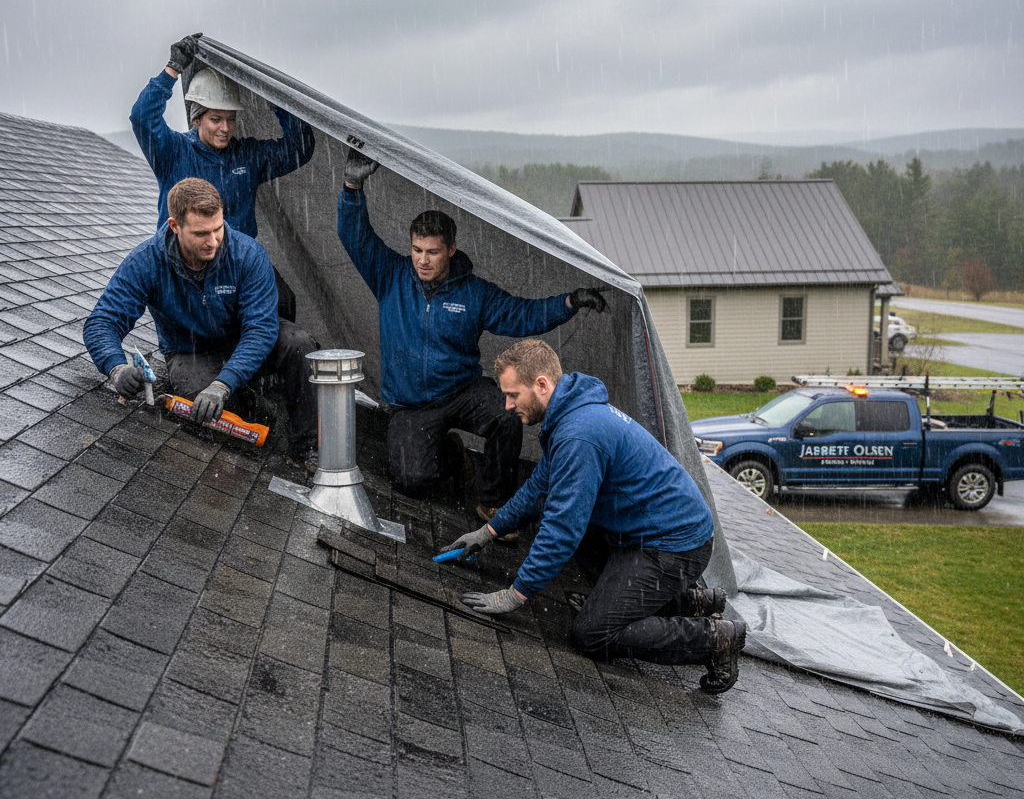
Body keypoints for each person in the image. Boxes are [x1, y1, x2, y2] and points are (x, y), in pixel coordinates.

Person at [443, 339, 746, 694]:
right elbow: (540, 486)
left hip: (675, 546)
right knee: (546, 506)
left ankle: (715, 639)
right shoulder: (571, 415)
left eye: (513, 395)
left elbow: (563, 529)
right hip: (647, 534)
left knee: (593, 633)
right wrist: (488, 532)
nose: (507, 406)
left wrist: (515, 594)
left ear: (542, 385)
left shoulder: (579, 434)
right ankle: (691, 602)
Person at [337, 150, 608, 522]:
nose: (423, 261)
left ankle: (494, 502)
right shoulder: (390, 275)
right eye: (417, 250)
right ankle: (451, 453)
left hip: (462, 391)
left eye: (433, 252)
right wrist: (352, 185)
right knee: (411, 480)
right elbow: (354, 236)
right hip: (411, 404)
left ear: (451, 249)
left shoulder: (474, 292)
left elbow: (521, 315)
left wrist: (569, 302)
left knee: (508, 414)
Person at [83, 178, 318, 463]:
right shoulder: (146, 262)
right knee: (201, 409)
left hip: (243, 338)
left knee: (301, 344)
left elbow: (260, 329)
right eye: (201, 233)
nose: (213, 241)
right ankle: (249, 403)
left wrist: (222, 383)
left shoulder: (248, 255)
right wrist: (116, 368)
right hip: (189, 352)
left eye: (218, 229)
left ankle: (305, 449)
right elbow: (102, 321)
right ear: (174, 226)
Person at [131, 34, 316, 239]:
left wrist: (279, 103)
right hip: (182, 266)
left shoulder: (247, 155)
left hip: (235, 265)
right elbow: (142, 117)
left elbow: (300, 148)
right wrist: (172, 70)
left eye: (231, 119)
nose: (225, 128)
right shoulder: (174, 151)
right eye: (216, 119)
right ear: (197, 120)